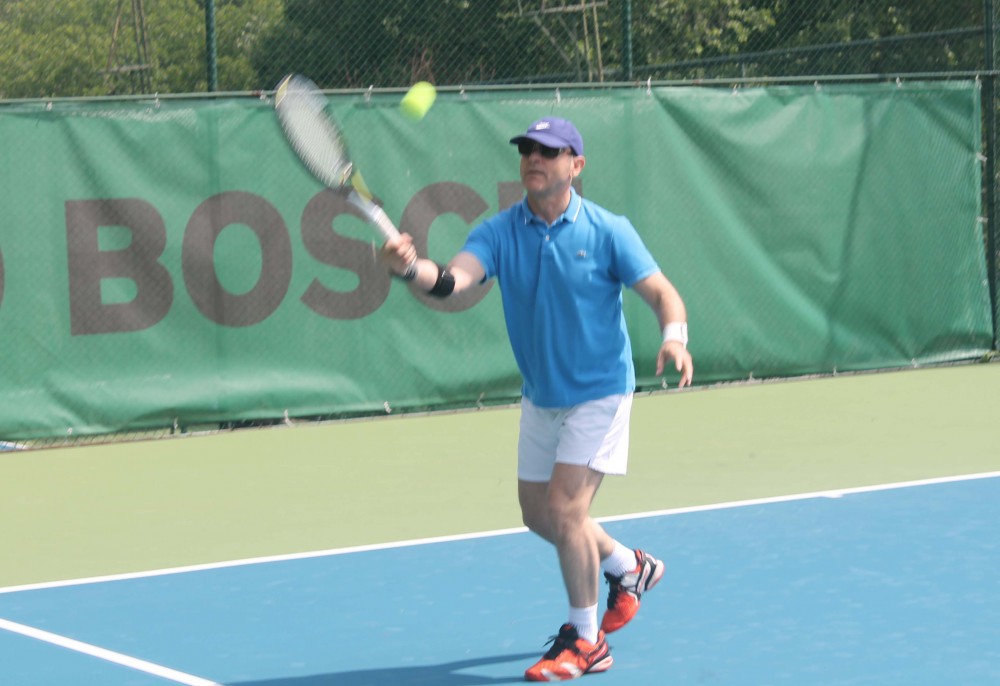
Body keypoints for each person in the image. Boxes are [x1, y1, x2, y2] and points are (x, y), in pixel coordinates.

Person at [381, 117, 693, 682]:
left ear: (576, 164)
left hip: (600, 390)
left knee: (566, 511)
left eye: (549, 151)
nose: (534, 158)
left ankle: (587, 640)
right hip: (542, 395)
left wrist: (674, 337)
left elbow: (661, 292)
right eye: (527, 149)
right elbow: (452, 281)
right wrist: (408, 268)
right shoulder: (500, 232)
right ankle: (628, 566)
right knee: (538, 514)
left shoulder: (608, 230)